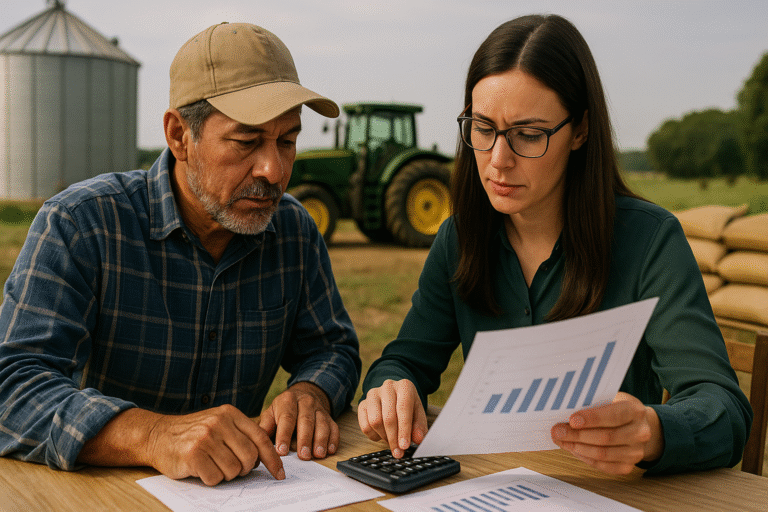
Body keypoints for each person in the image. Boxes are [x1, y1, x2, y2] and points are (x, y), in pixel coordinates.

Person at [358, 14, 752, 476]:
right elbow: (405, 360)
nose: (498, 160)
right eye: (483, 128)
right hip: (490, 491)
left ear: (581, 130)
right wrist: (390, 389)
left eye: (529, 135)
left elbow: (724, 408)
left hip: (609, 494)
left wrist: (655, 430)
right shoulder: (459, 238)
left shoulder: (649, 241)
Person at [0, 22, 361, 486]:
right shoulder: (82, 224)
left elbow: (333, 348)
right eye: (247, 141)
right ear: (178, 136)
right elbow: (12, 385)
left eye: (287, 141)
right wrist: (152, 436)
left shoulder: (292, 231)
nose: (273, 170)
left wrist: (312, 391)